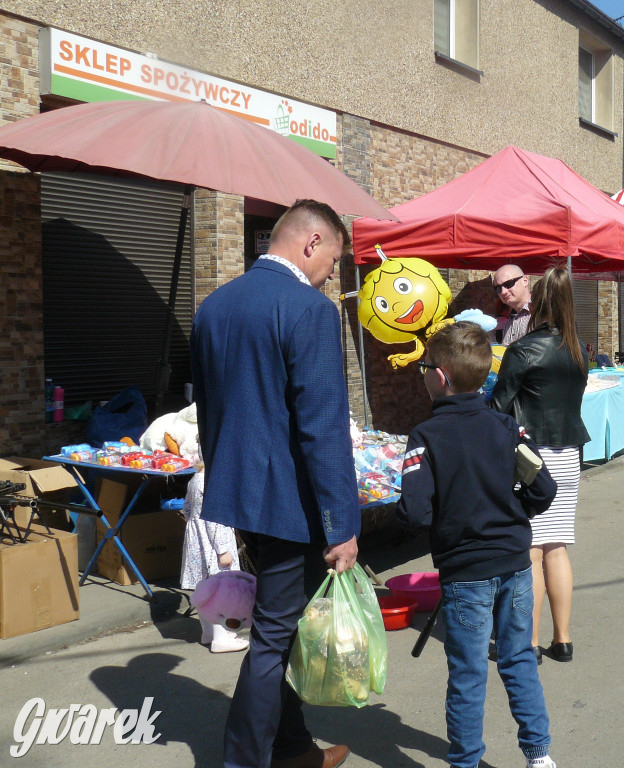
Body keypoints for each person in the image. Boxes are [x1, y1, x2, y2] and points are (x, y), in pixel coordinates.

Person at [191, 200, 360, 768]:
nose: (331, 274)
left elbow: (209, 409)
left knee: (279, 628)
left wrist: (223, 482)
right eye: (333, 260)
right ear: (311, 242)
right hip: (291, 503)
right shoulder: (310, 309)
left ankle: (292, 747)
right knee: (272, 636)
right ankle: (246, 760)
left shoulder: (215, 305)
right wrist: (343, 525)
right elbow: (323, 427)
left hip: (241, 494)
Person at [396, 321, 559, 768]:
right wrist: (509, 508)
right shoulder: (508, 429)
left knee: (468, 675)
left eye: (424, 366)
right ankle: (539, 755)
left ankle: (465, 762)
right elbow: (543, 490)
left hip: (465, 573)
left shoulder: (425, 438)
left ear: (441, 376)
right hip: (514, 563)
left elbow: (414, 512)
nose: (423, 373)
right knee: (519, 659)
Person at [491, 266, 590, 663]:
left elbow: (498, 406)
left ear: (539, 302)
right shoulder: (579, 348)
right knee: (557, 548)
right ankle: (562, 640)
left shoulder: (525, 349)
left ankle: (529, 643)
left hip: (533, 456)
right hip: (568, 455)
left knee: (530, 551)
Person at [179, 456, 249, 654]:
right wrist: (222, 550)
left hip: (197, 538)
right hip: (213, 540)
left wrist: (194, 526)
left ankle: (209, 633)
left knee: (205, 589)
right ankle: (220, 638)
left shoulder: (195, 478)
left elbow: (187, 509)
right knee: (219, 591)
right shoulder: (211, 481)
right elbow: (213, 517)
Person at [493, 264, 532, 345]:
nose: (503, 292)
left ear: (525, 281)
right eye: (498, 288)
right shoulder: (510, 319)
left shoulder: (542, 313)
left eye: (508, 284)